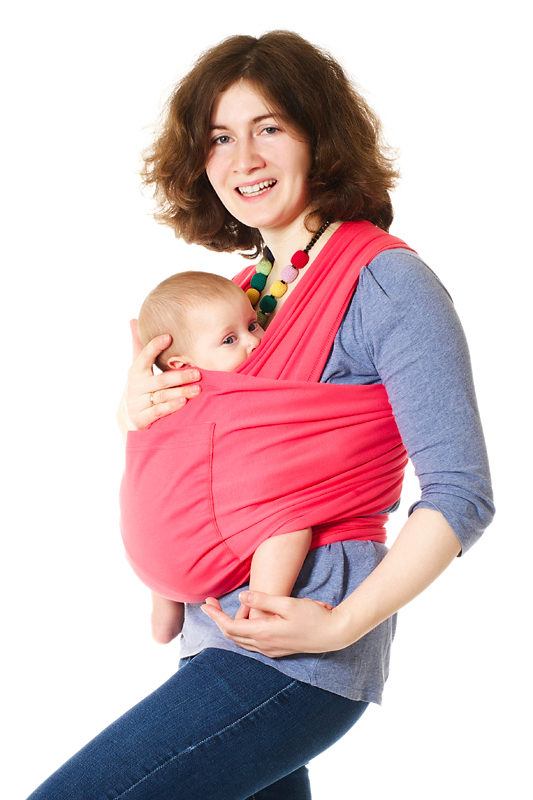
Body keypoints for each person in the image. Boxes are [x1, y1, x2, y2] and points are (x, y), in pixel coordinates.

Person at [27, 30, 494, 799]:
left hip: (300, 644)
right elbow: (214, 450)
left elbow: (461, 494)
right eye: (219, 137)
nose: (242, 158)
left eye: (268, 127)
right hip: (214, 635)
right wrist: (139, 413)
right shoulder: (237, 300)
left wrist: (340, 626)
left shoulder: (387, 283)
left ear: (319, 135)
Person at [131, 269, 313, 636]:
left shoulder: (159, 402)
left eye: (253, 325)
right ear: (183, 367)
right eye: (230, 339)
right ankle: (262, 608)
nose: (254, 342)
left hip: (145, 551)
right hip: (194, 554)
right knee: (292, 516)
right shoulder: (232, 393)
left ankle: (164, 616)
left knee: (157, 509)